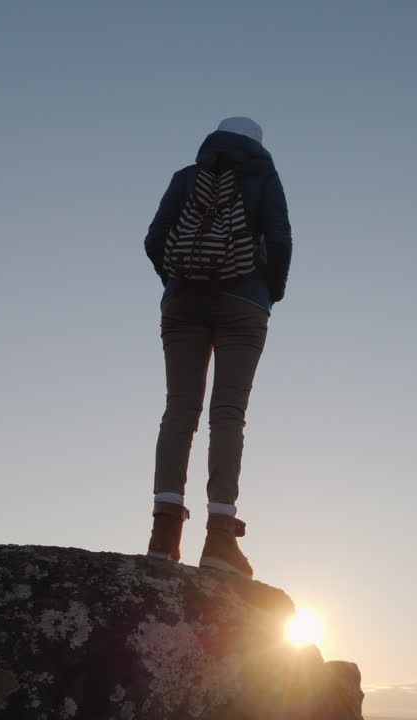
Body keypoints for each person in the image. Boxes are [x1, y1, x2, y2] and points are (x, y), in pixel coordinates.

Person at [142, 116, 292, 577]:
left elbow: (154, 239)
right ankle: (220, 540)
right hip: (245, 304)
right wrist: (268, 292)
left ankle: (164, 534)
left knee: (179, 409)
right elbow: (280, 240)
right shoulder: (264, 177)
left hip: (182, 303)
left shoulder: (186, 177)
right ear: (258, 144)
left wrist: (177, 281)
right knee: (228, 413)